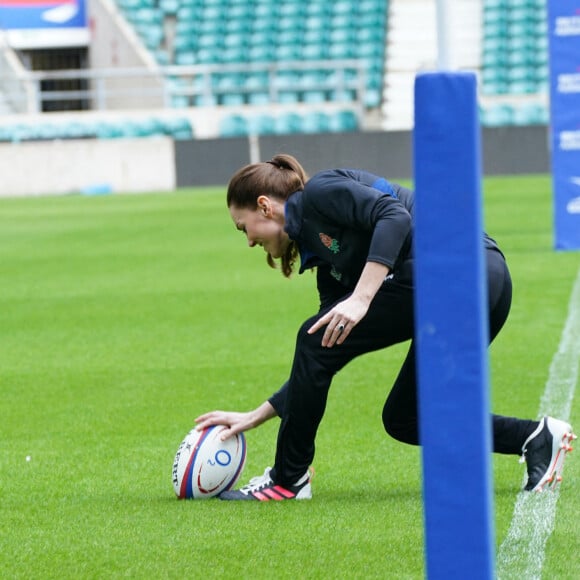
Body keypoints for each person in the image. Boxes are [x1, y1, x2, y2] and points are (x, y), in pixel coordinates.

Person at [195, 153, 576, 501]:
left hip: (465, 270)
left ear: (264, 206)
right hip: (471, 289)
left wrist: (361, 298)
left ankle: (287, 479)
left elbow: (395, 216)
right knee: (402, 417)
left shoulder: (318, 194)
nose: (247, 241)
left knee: (313, 342)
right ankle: (535, 438)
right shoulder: (325, 264)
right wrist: (257, 414)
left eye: (242, 227)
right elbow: (322, 353)